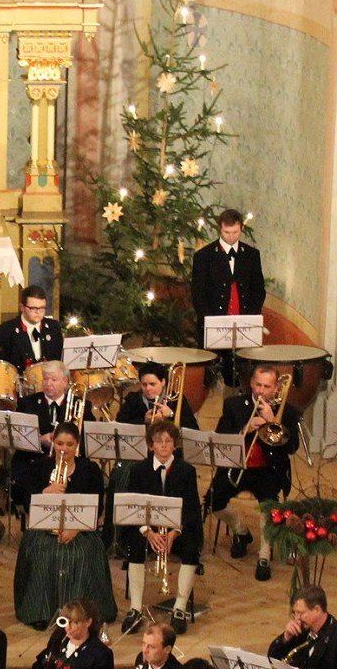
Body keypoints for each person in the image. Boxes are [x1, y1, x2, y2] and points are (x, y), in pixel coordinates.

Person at [12, 422, 119, 630]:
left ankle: (81, 612)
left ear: (77, 445)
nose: (64, 449)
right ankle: (40, 612)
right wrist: (45, 492)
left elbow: (97, 506)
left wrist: (75, 529)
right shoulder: (40, 467)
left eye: (69, 444)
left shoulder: (90, 469)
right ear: (53, 442)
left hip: (80, 530)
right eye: (60, 443)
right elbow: (25, 501)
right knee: (42, 552)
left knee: (83, 554)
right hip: (44, 529)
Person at [205, 362, 300, 581]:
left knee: (269, 508)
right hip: (237, 466)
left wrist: (272, 421)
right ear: (251, 383)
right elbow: (221, 438)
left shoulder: (288, 411)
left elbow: (292, 447)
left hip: (268, 470)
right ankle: (241, 531)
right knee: (212, 501)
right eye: (258, 385)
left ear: (276, 388)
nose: (261, 391)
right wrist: (245, 429)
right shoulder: (234, 405)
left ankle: (264, 555)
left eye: (267, 387)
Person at [115, 421, 202, 635]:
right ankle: (135, 608)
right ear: (150, 445)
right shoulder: (138, 470)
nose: (163, 445)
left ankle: (179, 608)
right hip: (148, 529)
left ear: (175, 445)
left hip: (175, 530)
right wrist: (148, 532)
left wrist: (174, 532)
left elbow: (191, 508)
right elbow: (134, 506)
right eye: (158, 441)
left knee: (191, 547)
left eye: (168, 441)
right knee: (135, 545)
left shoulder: (187, 471)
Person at [190, 210, 267, 386]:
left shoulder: (251, 255)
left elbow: (258, 290)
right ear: (220, 229)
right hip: (213, 327)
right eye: (227, 232)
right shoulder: (203, 256)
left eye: (235, 232)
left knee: (241, 377)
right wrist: (212, 322)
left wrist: (249, 319)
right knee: (208, 379)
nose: (231, 236)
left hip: (243, 327)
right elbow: (198, 294)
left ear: (241, 228)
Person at [9, 361, 76, 515]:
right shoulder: (27, 403)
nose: (48, 383)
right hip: (34, 460)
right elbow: (18, 436)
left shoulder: (78, 403)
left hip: (67, 461)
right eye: (45, 379)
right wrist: (39, 439)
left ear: (65, 382)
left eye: (54, 379)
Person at [0, 288, 64, 369]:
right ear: (22, 307)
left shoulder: (54, 327)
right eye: (33, 308)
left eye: (42, 308)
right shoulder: (3, 331)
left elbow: (57, 361)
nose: (38, 312)